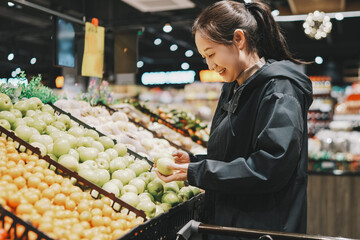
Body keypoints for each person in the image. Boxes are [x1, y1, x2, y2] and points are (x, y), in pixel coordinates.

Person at [155, 0, 313, 239]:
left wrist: (197, 172)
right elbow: (236, 155)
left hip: (261, 230)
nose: (210, 64)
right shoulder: (234, 86)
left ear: (238, 39)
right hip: (232, 225)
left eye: (211, 53)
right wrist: (195, 161)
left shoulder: (280, 89)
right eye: (204, 56)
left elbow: (269, 167)